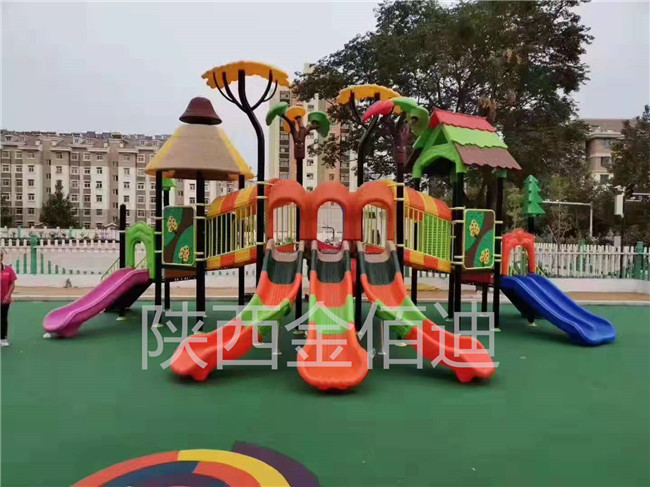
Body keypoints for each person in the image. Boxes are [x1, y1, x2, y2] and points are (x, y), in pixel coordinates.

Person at [1, 249, 17, 347]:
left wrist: (8, 295)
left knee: (3, 319)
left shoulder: (8, 270)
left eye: (0, 256)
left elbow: (12, 284)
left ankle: (3, 338)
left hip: (4, 300)